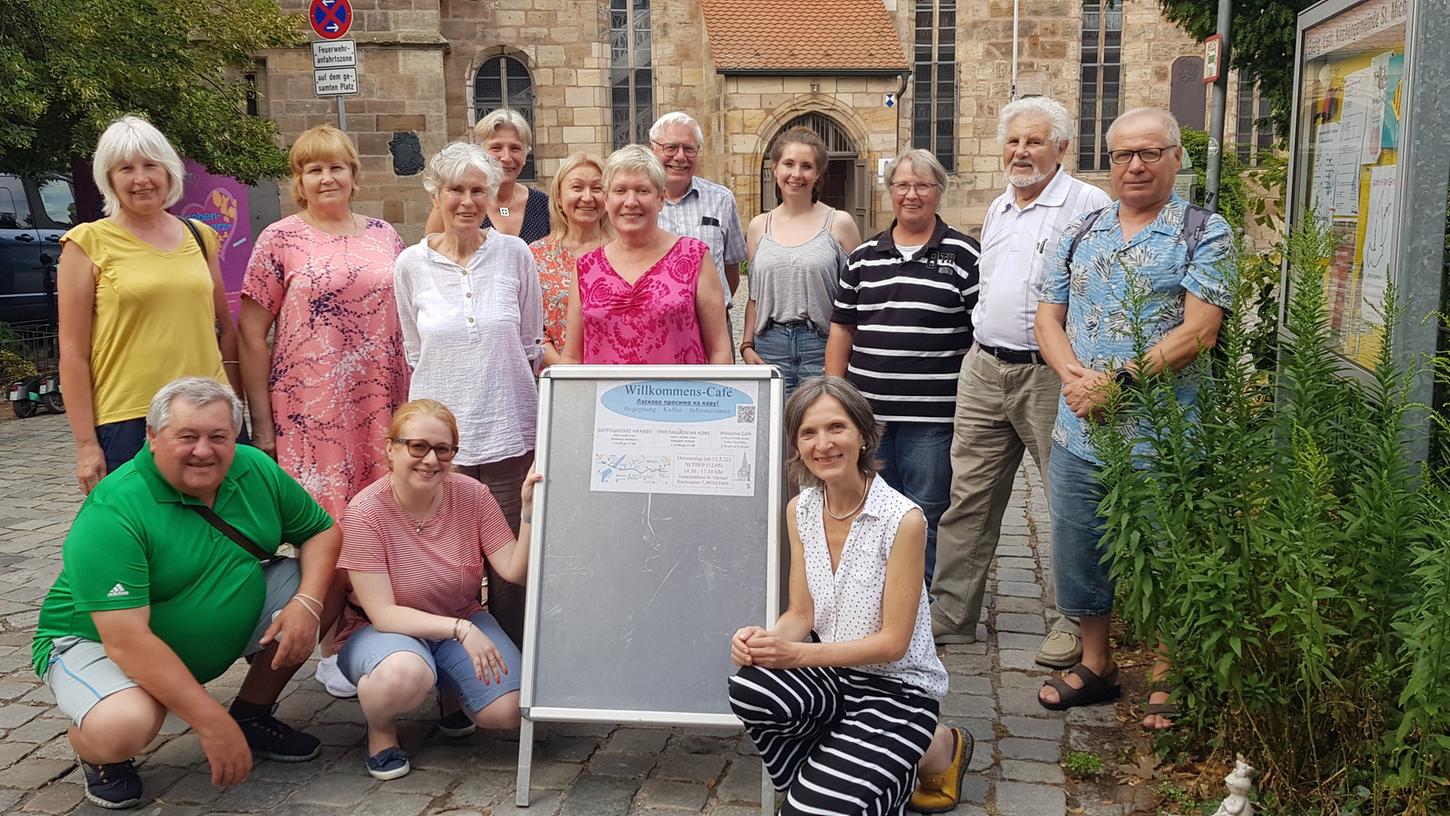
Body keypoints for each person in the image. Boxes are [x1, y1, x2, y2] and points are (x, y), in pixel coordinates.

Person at [31, 378, 341, 810]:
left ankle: (252, 714)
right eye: (187, 436)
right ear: (152, 438)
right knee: (127, 724)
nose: (203, 450)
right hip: (94, 640)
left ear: (235, 438)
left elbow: (321, 531)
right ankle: (95, 749)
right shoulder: (113, 510)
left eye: (218, 437)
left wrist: (307, 603)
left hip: (210, 607)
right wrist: (210, 723)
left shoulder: (253, 467)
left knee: (333, 579)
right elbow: (126, 641)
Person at [1034, 108, 1235, 724]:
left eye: (1149, 153)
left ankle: (1168, 671)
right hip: (1079, 430)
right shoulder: (1082, 229)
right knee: (1079, 548)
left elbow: (1199, 331)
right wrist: (1073, 376)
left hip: (1163, 436)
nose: (1135, 165)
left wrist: (1117, 386)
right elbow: (1048, 315)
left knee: (1168, 550)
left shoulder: (1204, 231)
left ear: (1177, 157)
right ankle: (1097, 664)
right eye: (1123, 155)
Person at [728, 376, 971, 815]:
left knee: (804, 813)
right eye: (808, 433)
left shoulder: (903, 519)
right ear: (797, 445)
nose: (823, 444)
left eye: (836, 427)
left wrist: (794, 655)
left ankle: (916, 754)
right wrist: (766, 643)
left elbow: (893, 643)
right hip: (833, 677)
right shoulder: (800, 507)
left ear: (862, 434)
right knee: (752, 687)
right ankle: (835, 775)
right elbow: (801, 612)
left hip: (897, 687)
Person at [930, 97, 1110, 669]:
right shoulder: (1000, 206)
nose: (1021, 152)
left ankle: (1073, 622)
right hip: (985, 367)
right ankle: (950, 616)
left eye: (1034, 141)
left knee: (1069, 501)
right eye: (1013, 141)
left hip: (1052, 374)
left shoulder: (1089, 206)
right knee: (969, 499)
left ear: (1061, 148)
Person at [334, 399, 536, 780]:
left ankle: (450, 693)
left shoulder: (472, 495)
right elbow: (384, 613)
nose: (431, 459)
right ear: (391, 449)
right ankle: (381, 732)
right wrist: (462, 630)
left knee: (509, 711)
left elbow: (514, 570)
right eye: (418, 446)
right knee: (405, 674)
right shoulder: (366, 511)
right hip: (381, 631)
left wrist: (527, 511)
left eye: (443, 449)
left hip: (458, 613)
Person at [394, 141, 543, 648]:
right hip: (438, 447)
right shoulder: (409, 265)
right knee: (446, 565)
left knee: (511, 567)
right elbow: (416, 353)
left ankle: (516, 670)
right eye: (455, 189)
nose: (466, 201)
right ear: (436, 193)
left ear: (491, 194)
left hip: (509, 433)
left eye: (478, 190)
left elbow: (529, 344)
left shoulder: (515, 253)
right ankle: (451, 681)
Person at [57, 115, 241, 493]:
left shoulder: (200, 235)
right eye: (126, 168)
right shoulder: (87, 243)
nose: (141, 179)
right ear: (109, 178)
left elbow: (225, 329)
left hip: (209, 412)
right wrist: (86, 445)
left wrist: (236, 409)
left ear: (169, 171)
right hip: (130, 418)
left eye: (150, 165)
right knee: (148, 539)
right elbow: (73, 354)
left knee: (222, 535)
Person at [825, 149, 980, 586]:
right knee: (871, 504)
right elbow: (841, 329)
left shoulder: (965, 255)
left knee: (927, 508)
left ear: (938, 193)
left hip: (934, 418)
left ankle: (919, 599)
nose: (912, 195)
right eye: (902, 186)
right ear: (890, 192)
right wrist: (836, 398)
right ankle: (873, 592)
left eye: (923, 186)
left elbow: (979, 332)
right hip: (869, 417)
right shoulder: (864, 258)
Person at [238, 124, 409, 519]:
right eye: (314, 170)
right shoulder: (279, 239)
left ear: (353, 174)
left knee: (387, 512)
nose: (327, 178)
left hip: (383, 400)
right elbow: (250, 334)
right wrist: (261, 423)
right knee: (323, 522)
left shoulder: (385, 236)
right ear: (300, 180)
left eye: (336, 167)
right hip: (312, 410)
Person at [559, 145, 733, 365]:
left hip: (681, 397)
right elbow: (573, 356)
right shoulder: (586, 268)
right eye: (620, 191)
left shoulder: (694, 258)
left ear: (660, 199)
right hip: (603, 398)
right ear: (607, 199)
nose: (631, 202)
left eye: (642, 190)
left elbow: (719, 350)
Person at [740, 127, 861, 397]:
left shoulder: (839, 224)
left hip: (821, 347)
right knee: (774, 434)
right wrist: (747, 346)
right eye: (789, 164)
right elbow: (754, 296)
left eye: (806, 166)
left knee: (817, 430)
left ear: (817, 174)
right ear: (775, 168)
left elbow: (856, 298)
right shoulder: (759, 227)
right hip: (769, 346)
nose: (796, 174)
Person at [649, 111, 746, 316]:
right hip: (657, 325)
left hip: (714, 324)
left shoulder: (722, 199)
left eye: (689, 149)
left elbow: (731, 271)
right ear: (652, 149)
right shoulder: (637, 204)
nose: (680, 157)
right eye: (671, 147)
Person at [529, 152, 608, 369]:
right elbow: (532, 328)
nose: (587, 197)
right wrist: (568, 372)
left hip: (615, 376)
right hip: (558, 377)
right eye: (577, 187)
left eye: (597, 188)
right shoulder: (536, 255)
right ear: (559, 198)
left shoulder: (623, 251)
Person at [424, 109, 550, 243]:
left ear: (525, 154)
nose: (506, 157)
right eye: (496, 148)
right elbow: (432, 253)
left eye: (515, 148)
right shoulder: (456, 204)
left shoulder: (544, 205)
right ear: (479, 152)